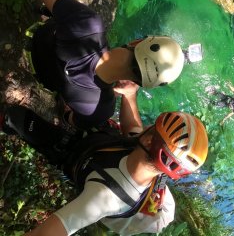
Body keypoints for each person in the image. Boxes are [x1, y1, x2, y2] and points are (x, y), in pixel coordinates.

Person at [2, 84, 209, 236]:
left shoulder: (106, 196)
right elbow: (132, 130)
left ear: (149, 137)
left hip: (79, 157)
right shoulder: (144, 155)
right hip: (102, 149)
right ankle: (69, 117)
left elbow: (46, 234)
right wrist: (130, 95)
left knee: (14, 118)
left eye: (153, 127)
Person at [31, 0, 186, 131]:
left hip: (37, 42)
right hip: (39, 75)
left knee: (67, 15)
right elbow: (71, 120)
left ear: (137, 41)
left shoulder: (89, 27)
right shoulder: (102, 108)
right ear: (139, 83)